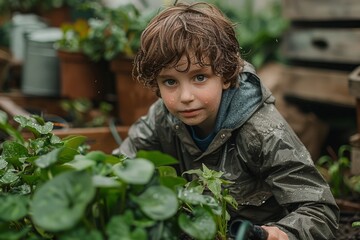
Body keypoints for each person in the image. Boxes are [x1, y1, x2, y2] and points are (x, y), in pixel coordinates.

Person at [113, 2, 339, 239]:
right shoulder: (162, 118)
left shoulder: (262, 131)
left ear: (226, 75)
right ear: (155, 84)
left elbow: (320, 211)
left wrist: (273, 234)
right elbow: (122, 167)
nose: (185, 97)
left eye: (199, 77)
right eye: (170, 82)